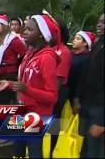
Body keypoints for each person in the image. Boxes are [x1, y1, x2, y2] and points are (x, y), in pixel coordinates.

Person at [0, 14, 60, 158]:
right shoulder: (30, 53)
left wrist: (27, 90)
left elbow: (52, 96)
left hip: (37, 114)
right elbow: (25, 83)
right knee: (17, 150)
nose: (24, 32)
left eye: (30, 30)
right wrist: (10, 84)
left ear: (41, 35)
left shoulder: (47, 57)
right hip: (22, 110)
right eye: (25, 28)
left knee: (34, 152)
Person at [75, 14, 104, 158]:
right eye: (99, 21)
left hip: (99, 109)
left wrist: (101, 121)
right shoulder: (98, 45)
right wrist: (77, 98)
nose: (99, 24)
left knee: (95, 149)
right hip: (86, 104)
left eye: (104, 23)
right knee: (84, 145)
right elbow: (86, 74)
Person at [48, 16, 72, 156]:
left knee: (53, 127)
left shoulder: (63, 52)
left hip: (56, 93)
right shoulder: (46, 49)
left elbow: (57, 81)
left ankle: (51, 152)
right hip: (42, 93)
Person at [0, 14, 27, 105]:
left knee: (4, 105)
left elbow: (25, 54)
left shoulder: (13, 39)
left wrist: (16, 66)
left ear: (4, 26)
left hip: (9, 75)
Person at [67, 31, 96, 106]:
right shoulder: (70, 54)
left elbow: (82, 79)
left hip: (74, 95)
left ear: (85, 43)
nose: (74, 40)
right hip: (64, 91)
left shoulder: (87, 59)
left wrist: (76, 98)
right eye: (74, 38)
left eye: (78, 39)